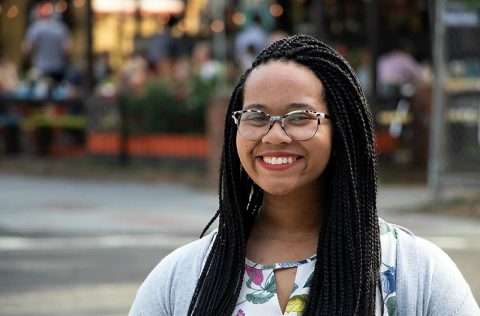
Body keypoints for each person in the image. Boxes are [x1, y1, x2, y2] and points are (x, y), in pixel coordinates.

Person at [129, 35, 479, 315]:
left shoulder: (416, 272)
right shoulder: (182, 277)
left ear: (340, 130)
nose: (274, 135)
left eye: (299, 116)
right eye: (255, 115)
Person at [22, 1, 72, 83]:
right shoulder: (61, 28)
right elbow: (67, 49)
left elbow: (27, 49)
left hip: (40, 70)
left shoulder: (35, 28)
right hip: (58, 69)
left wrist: (29, 64)